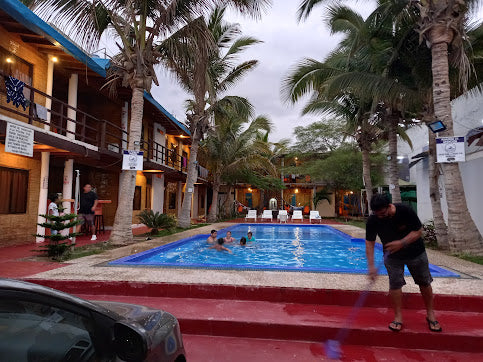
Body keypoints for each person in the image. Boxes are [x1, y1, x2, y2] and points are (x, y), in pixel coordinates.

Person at [365, 193, 441, 333]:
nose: (380, 216)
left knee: (424, 283)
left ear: (389, 206)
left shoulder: (405, 210)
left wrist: (401, 243)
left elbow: (418, 231)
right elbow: (369, 243)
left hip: (416, 253)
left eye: (382, 213)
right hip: (392, 257)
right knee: (395, 285)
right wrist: (371, 267)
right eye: (377, 214)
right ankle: (398, 317)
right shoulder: (373, 219)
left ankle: (430, 314)